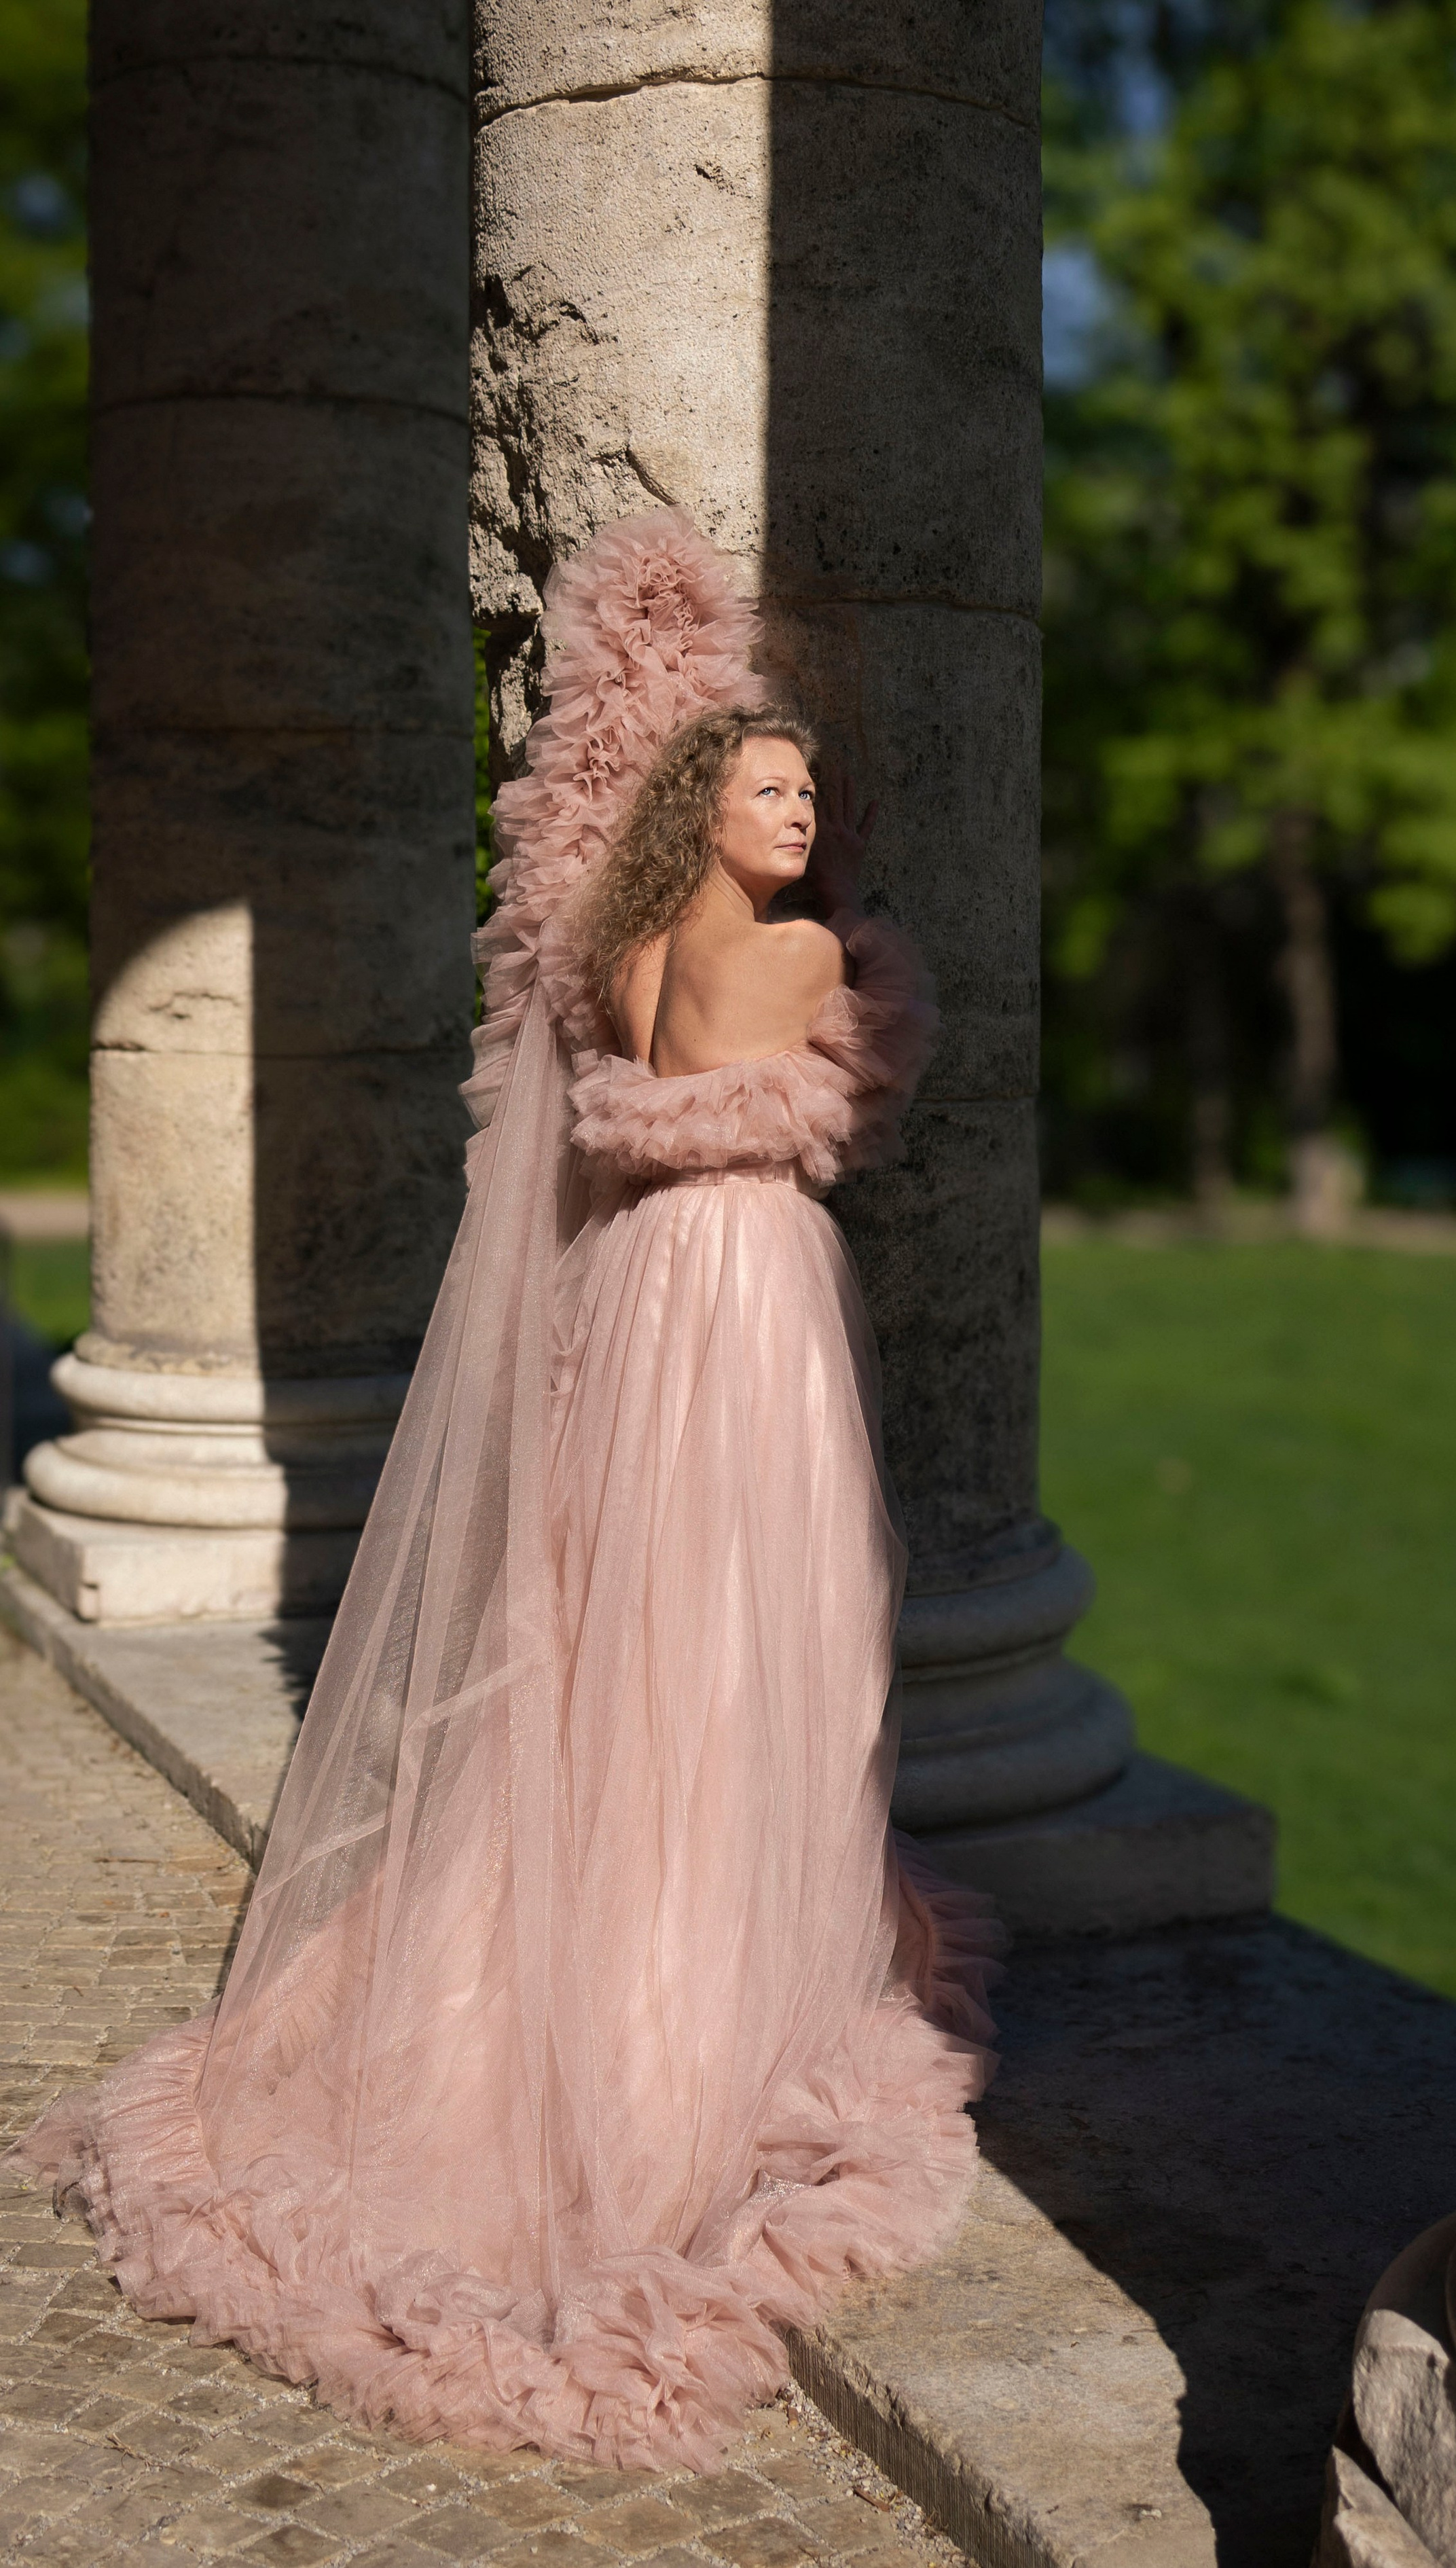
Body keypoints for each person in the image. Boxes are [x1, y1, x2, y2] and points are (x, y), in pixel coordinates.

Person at [10, 511, 1000, 2470]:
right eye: (770, 787)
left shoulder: (620, 954)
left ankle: (598, 1918)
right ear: (708, 808)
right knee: (755, 1628)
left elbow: (611, 1103)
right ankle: (698, 1982)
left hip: (636, 1294)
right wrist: (866, 987)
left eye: (810, 791)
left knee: (620, 1621)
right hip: (749, 1293)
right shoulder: (811, 957)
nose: (800, 816)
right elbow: (874, 1081)